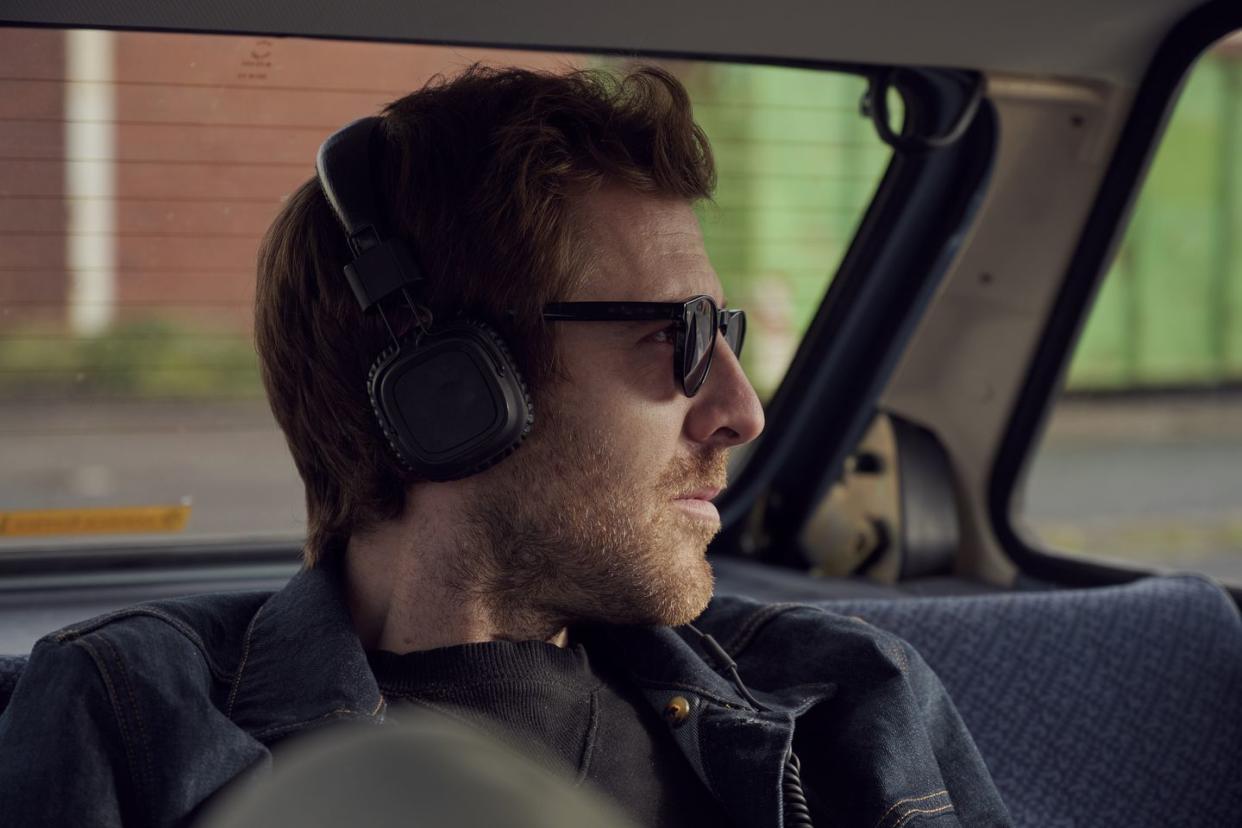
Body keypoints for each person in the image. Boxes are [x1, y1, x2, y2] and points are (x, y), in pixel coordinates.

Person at [0, 65, 1011, 827]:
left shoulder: (844, 696)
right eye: (679, 339)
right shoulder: (139, 715)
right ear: (452, 390)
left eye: (727, 336)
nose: (741, 413)